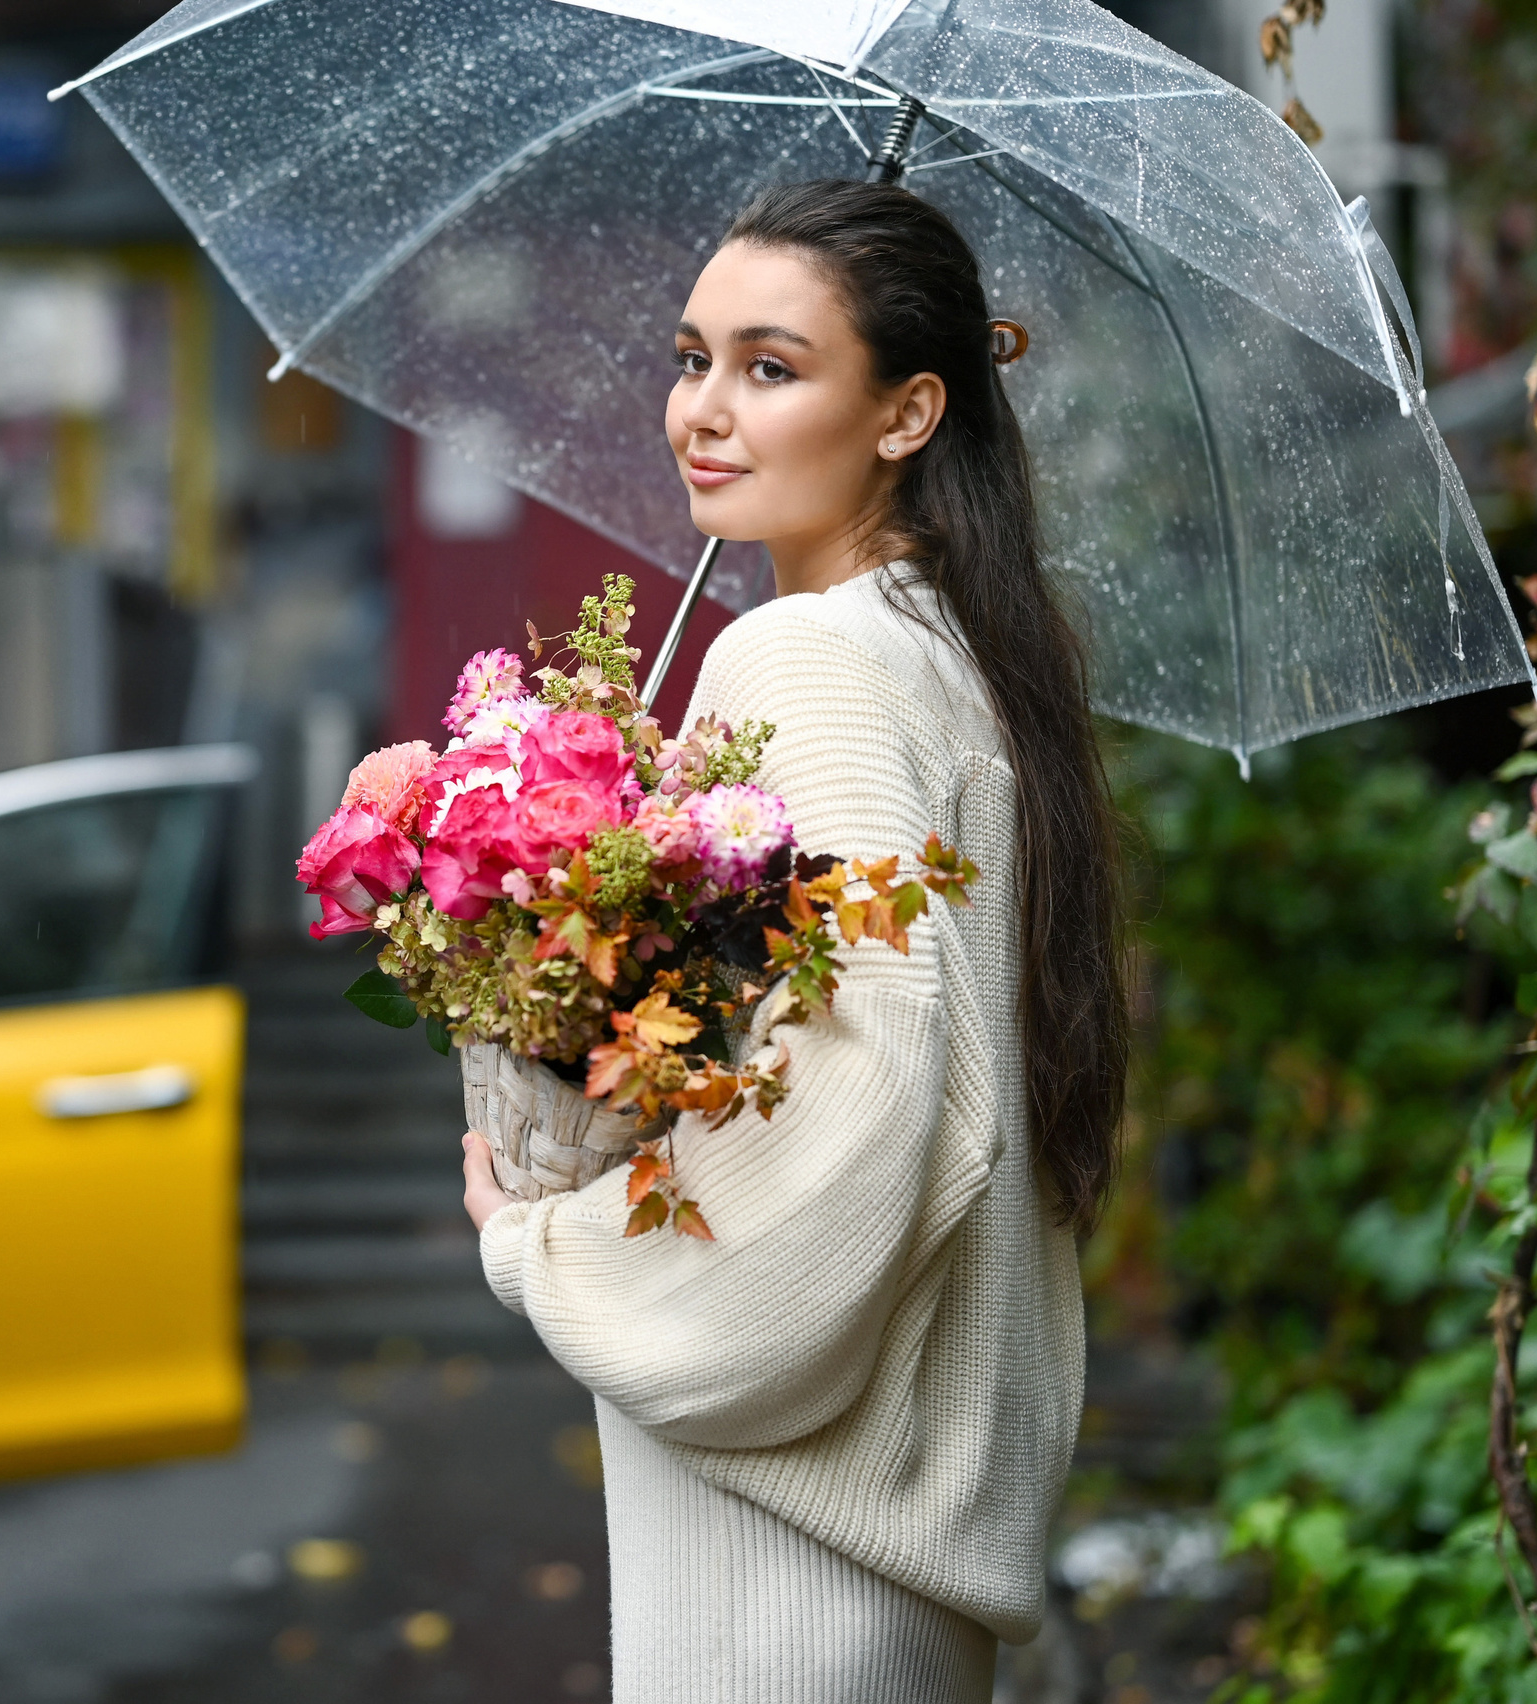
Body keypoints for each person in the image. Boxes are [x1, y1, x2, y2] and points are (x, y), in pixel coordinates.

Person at [456, 178, 1127, 1701]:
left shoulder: (803, 654)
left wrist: (544, 1242)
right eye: (693, 357)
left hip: (793, 1534)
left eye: (772, 368)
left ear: (907, 414)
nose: (703, 409)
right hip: (888, 1525)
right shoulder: (963, 655)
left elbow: (863, 1097)